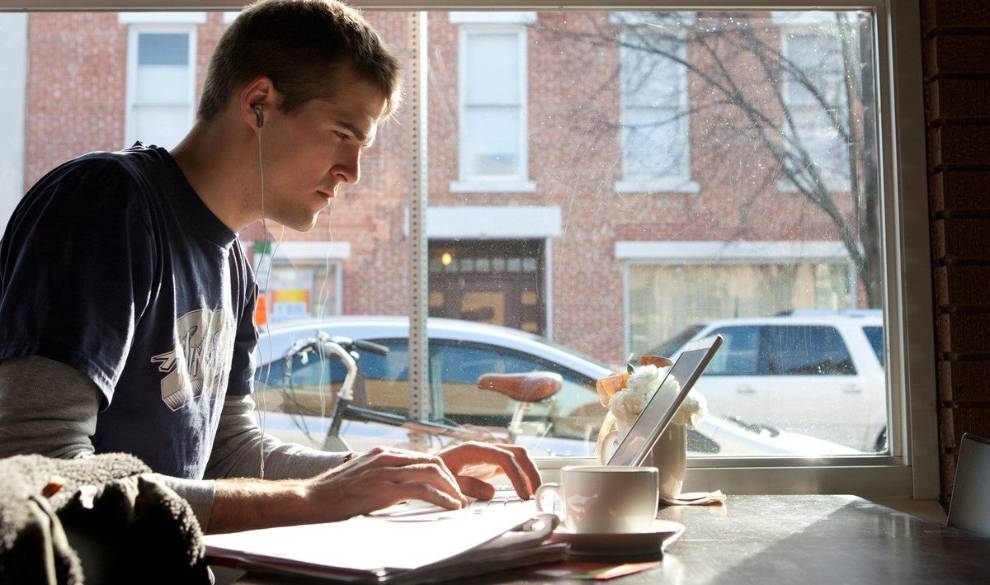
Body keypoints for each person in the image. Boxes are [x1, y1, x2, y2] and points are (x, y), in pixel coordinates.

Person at [0, 0, 540, 534]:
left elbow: (232, 456)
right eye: (343, 134)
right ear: (259, 101)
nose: (352, 171)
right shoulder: (105, 203)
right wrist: (310, 498)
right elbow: (41, 471)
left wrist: (401, 473)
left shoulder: (233, 264)